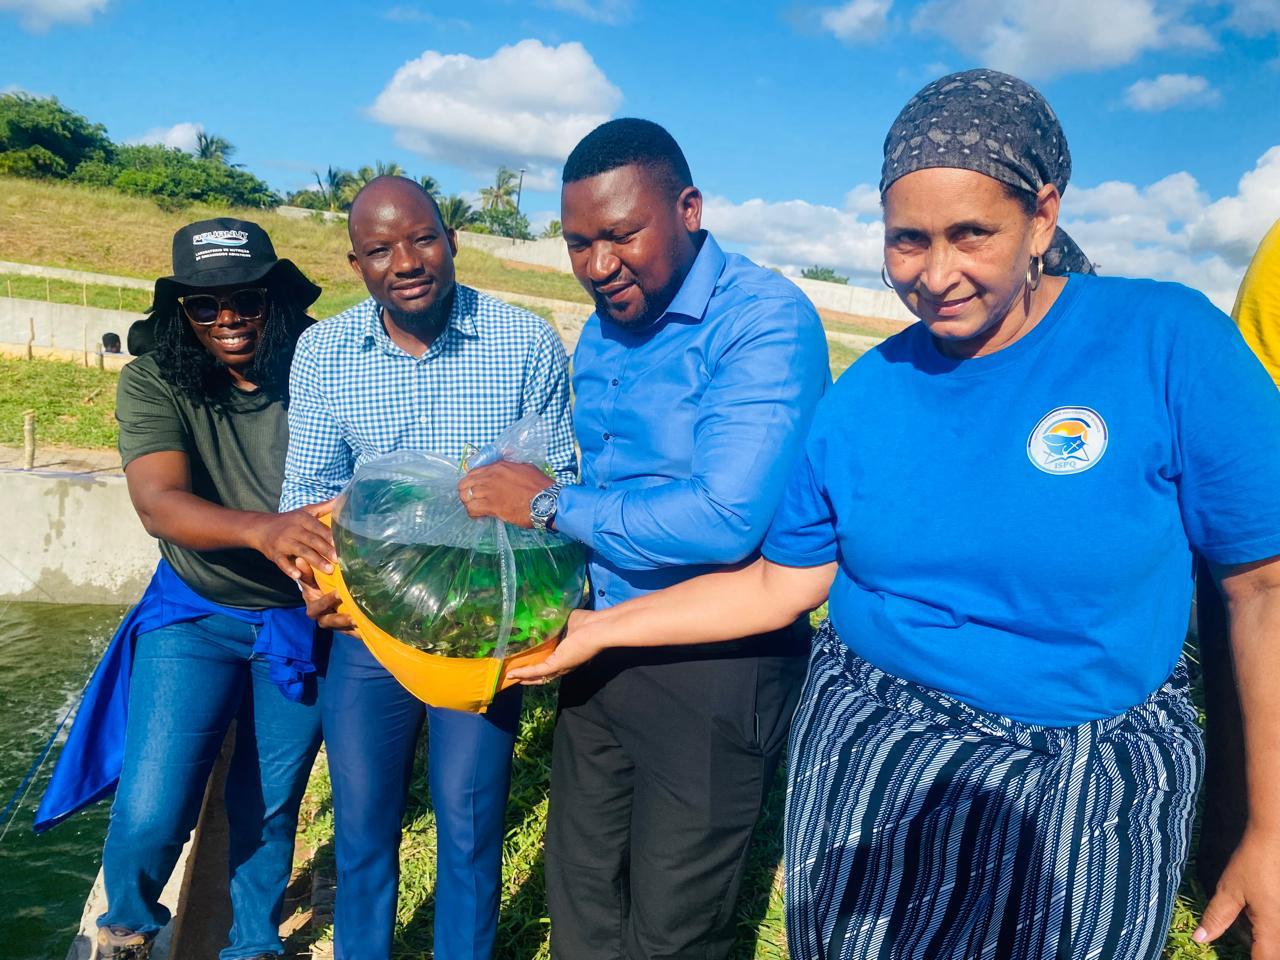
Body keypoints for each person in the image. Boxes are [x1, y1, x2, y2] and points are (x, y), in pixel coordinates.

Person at [509, 72, 1280, 960]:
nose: (935, 274)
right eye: (907, 241)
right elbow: (776, 583)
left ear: (1042, 216)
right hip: (871, 771)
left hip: (1077, 797)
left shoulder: (1166, 343)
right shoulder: (867, 395)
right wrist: (600, 634)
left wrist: (1268, 826)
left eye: (970, 234)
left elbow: (1260, 588)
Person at [461, 118, 829, 959]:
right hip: (600, 641)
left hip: (716, 661)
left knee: (673, 925)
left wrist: (550, 505)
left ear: (689, 209)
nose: (598, 265)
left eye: (621, 235)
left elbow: (726, 515)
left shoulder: (763, 322)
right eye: (578, 243)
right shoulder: (604, 327)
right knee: (582, 891)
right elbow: (607, 484)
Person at [281, 176, 575, 960]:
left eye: (421, 238)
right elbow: (308, 498)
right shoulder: (323, 354)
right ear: (356, 263)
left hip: (486, 627)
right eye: (380, 249)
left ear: (452, 240)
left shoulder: (524, 341)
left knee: (471, 829)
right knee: (364, 831)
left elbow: (561, 490)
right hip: (370, 627)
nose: (405, 261)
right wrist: (318, 589)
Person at [39, 218, 332, 960]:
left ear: (277, 300)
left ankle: (253, 944)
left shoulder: (323, 365)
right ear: (179, 313)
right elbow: (157, 502)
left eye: (245, 300)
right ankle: (127, 929)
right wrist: (265, 531)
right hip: (197, 610)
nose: (226, 318)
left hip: (300, 617)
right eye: (203, 305)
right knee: (152, 802)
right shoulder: (155, 377)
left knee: (268, 805)